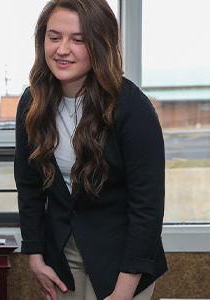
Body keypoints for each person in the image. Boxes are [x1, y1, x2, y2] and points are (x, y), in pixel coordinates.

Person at [14, 0, 167, 300]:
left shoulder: (132, 108)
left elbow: (146, 207)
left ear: (100, 44)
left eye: (78, 40)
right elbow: (29, 186)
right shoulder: (31, 104)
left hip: (123, 258)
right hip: (63, 255)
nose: (62, 49)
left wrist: (124, 291)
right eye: (54, 37)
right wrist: (34, 255)